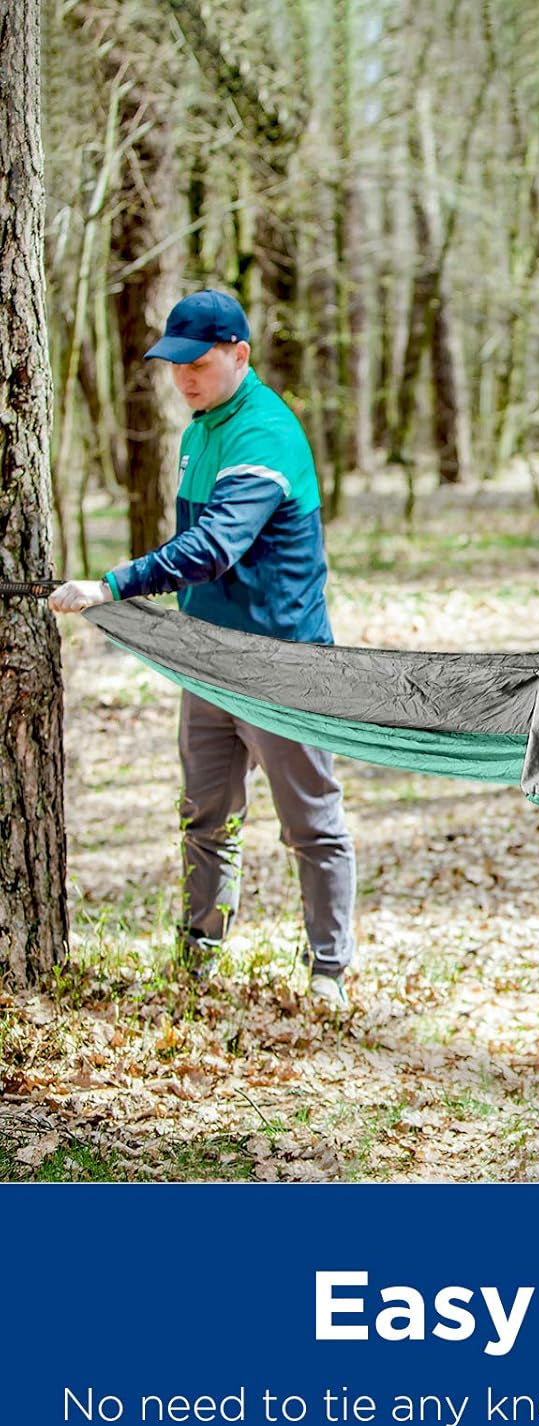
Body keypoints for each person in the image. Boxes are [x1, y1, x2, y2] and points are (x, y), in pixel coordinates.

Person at [51, 289, 356, 1015]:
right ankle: (198, 956)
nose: (183, 376)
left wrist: (112, 585)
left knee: (311, 824)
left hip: (282, 666)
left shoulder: (264, 434)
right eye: (174, 363)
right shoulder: (199, 430)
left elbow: (215, 546)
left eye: (198, 362)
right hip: (209, 664)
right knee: (206, 816)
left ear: (238, 355)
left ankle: (329, 973)